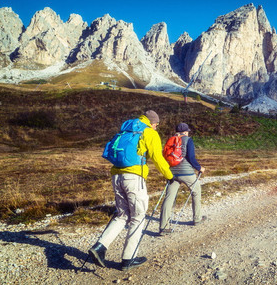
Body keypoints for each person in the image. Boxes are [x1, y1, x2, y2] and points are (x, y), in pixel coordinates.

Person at [88, 110, 174, 271]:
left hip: (117, 176)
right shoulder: (149, 132)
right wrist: (169, 175)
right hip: (134, 178)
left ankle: (100, 247)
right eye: (156, 124)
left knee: (122, 215)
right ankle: (128, 258)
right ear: (152, 122)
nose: (156, 127)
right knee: (138, 216)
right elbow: (157, 157)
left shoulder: (127, 129)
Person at [159, 123, 206, 235]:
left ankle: (163, 227)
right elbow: (191, 157)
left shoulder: (171, 140)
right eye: (187, 131)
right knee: (196, 191)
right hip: (186, 172)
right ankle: (197, 218)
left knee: (169, 197)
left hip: (172, 172)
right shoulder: (188, 140)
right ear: (185, 132)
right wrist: (199, 168)